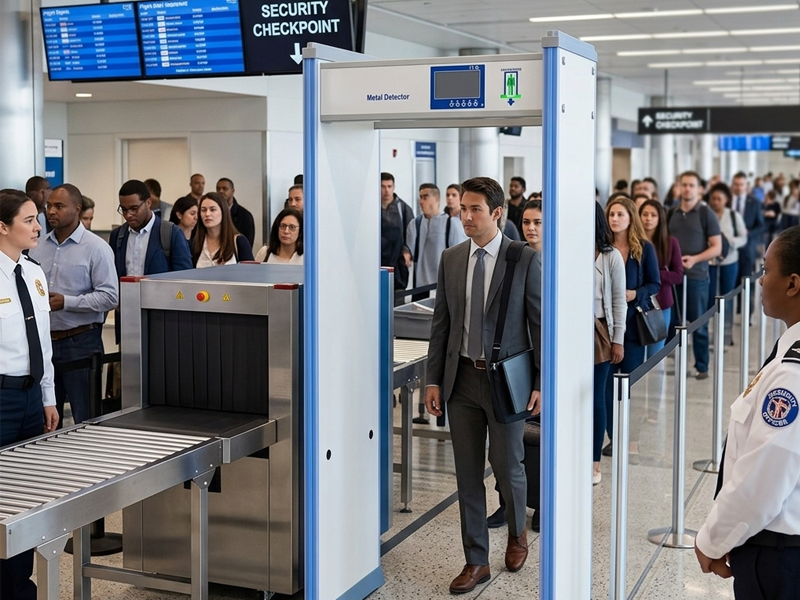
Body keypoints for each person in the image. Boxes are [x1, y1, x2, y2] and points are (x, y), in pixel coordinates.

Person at [424, 177, 541, 594]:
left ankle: (516, 532)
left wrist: (541, 381)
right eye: (463, 209)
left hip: (505, 382)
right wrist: (433, 379)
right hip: (460, 382)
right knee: (467, 474)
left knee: (509, 468)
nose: (466, 216)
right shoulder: (452, 258)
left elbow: (538, 325)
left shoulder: (521, 258)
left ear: (497, 213)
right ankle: (476, 559)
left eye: (475, 209)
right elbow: (442, 325)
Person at [695, 225, 800, 599]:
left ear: (793, 284)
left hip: (778, 557)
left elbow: (766, 475)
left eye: (767, 270)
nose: (760, 280)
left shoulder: (791, 375)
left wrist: (712, 538)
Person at [0, 189, 59, 600]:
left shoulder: (34, 272)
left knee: (26, 500)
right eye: (28, 219)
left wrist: (49, 395)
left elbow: (43, 342)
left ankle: (19, 588)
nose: (38, 226)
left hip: (30, 398)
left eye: (37, 218)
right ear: (2, 227)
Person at [29, 183, 118, 428]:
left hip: (81, 343)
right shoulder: (37, 248)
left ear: (77, 209)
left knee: (85, 419)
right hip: (45, 343)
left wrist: (66, 303)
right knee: (45, 420)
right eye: (48, 206)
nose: (51, 211)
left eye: (59, 206)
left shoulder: (97, 248)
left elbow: (110, 297)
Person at [602, 197, 660, 460]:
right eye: (611, 214)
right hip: (606, 326)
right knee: (606, 387)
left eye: (620, 215)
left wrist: (633, 294)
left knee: (630, 385)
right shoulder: (601, 249)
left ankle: (632, 440)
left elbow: (654, 284)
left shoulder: (643, 248)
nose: (615, 219)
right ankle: (615, 437)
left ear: (630, 218)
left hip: (633, 327)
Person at [668, 171, 722, 380]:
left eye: (692, 185)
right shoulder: (671, 212)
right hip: (674, 277)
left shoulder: (705, 213)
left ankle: (702, 366)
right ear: (679, 187)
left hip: (697, 277)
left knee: (698, 323)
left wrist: (695, 259)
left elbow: (716, 247)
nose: (688, 189)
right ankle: (677, 362)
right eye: (685, 185)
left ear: (699, 189)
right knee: (674, 322)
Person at [593, 201, 626, 485]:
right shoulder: (565, 249)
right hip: (569, 330)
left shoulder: (610, 256)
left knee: (596, 397)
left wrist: (618, 339)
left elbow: (618, 301)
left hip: (600, 330)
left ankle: (594, 460)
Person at [404, 184, 467, 298]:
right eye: (420, 197)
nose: (421, 202)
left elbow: (460, 257)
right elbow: (409, 250)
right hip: (419, 287)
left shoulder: (451, 223)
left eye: (425, 197)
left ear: (437, 199)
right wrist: (406, 253)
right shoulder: (415, 224)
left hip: (442, 286)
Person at [639, 199, 683, 357]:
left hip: (660, 305)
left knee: (655, 356)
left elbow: (678, 275)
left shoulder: (670, 242)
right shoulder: (634, 241)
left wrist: (654, 275)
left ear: (660, 218)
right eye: (644, 214)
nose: (648, 218)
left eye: (653, 215)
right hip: (635, 305)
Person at [707, 183, 747, 344]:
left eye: (719, 199)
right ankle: (709, 333)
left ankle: (726, 335)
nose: (716, 201)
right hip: (709, 262)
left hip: (729, 262)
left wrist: (730, 242)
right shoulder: (707, 215)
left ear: (726, 200)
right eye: (713, 198)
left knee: (727, 297)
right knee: (709, 298)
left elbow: (743, 238)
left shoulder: (733, 216)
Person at [730, 172, 765, 313]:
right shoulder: (726, 201)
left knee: (746, 280)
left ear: (746, 186)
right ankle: (727, 312)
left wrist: (748, 233)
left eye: (741, 184)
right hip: (730, 248)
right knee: (730, 282)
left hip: (747, 247)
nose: (738, 187)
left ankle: (746, 312)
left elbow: (761, 225)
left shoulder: (754, 203)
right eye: (736, 184)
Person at [192, 192, 254, 268]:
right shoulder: (196, 243)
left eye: (213, 209)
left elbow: (250, 274)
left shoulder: (239, 241)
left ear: (223, 212)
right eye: (203, 210)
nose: (207, 214)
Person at [380, 172, 414, 299]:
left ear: (394, 187)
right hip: (377, 262)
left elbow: (411, 233)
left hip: (397, 265)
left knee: (397, 303)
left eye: (389, 186)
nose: (386, 190)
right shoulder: (371, 208)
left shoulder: (404, 209)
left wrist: (407, 250)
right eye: (383, 186)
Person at [215, 177, 255, 247]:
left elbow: (247, 244)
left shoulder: (245, 216)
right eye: (218, 189)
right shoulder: (212, 214)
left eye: (225, 188)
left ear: (232, 191)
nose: (221, 191)